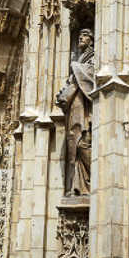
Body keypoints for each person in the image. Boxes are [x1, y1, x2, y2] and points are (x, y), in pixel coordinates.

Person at [56, 28, 95, 196]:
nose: (80, 36)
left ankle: (93, 180)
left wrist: (76, 68)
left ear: (92, 40)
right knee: (74, 145)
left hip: (86, 107)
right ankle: (77, 186)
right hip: (75, 107)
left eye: (85, 35)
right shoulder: (80, 59)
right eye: (80, 34)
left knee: (82, 143)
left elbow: (92, 76)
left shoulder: (94, 57)